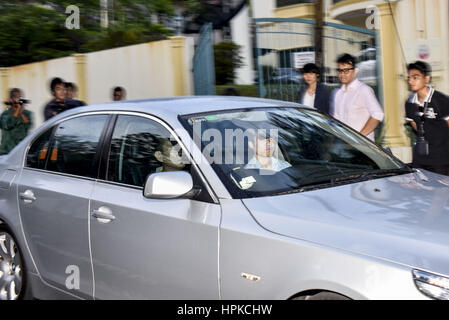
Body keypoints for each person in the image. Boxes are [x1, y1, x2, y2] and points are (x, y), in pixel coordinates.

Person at [405, 61, 449, 176]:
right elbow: (415, 125)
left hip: (441, 159)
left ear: (427, 78)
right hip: (420, 158)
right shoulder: (409, 102)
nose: (411, 81)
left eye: (415, 77)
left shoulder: (441, 100)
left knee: (440, 192)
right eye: (409, 78)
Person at [332, 53, 384, 141]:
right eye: (340, 71)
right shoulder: (337, 93)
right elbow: (336, 120)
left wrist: (359, 137)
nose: (342, 74)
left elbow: (378, 114)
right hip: (343, 146)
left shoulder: (363, 90)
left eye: (346, 70)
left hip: (362, 147)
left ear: (355, 71)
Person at [0, 88, 33, 155]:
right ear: (11, 99)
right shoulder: (5, 114)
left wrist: (21, 112)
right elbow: (7, 125)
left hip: (21, 151)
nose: (18, 99)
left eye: (20, 97)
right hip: (7, 151)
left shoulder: (27, 113)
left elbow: (28, 125)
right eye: (16, 97)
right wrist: (17, 110)